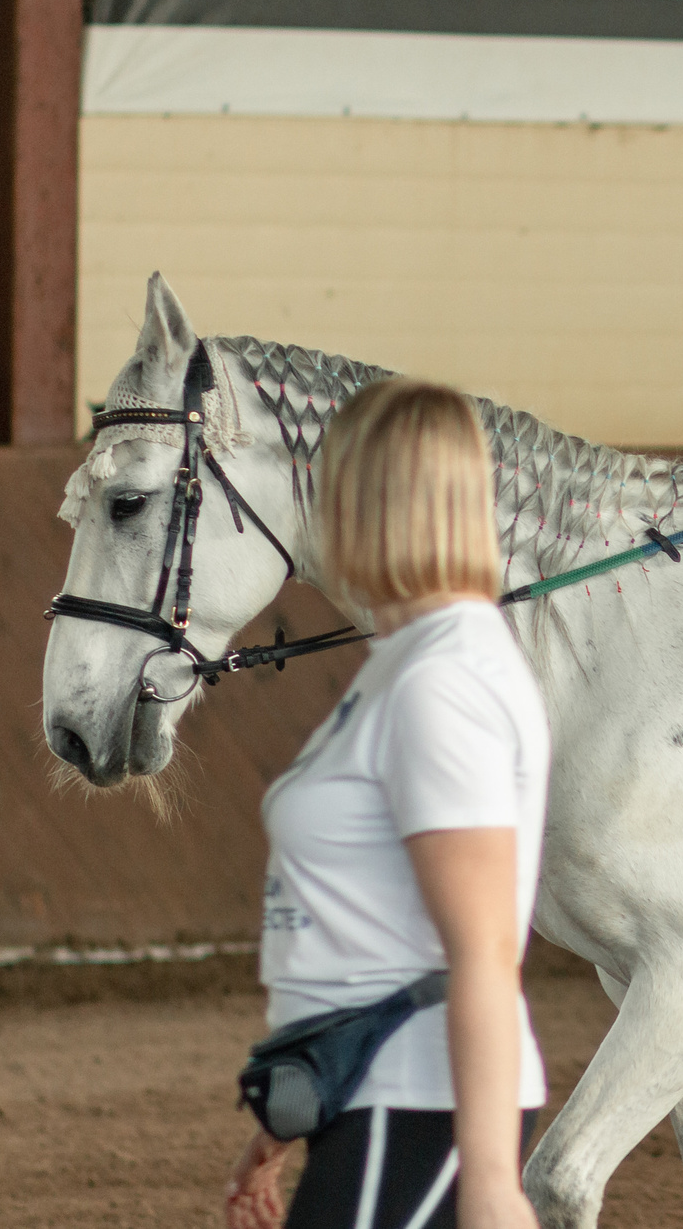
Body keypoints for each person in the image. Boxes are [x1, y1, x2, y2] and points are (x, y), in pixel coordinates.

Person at [225, 379, 548, 1229]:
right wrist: (284, 1122)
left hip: (423, 1105)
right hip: (373, 1096)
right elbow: (361, 920)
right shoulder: (406, 660)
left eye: (328, 485)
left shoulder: (442, 680)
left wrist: (490, 1186)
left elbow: (480, 951)